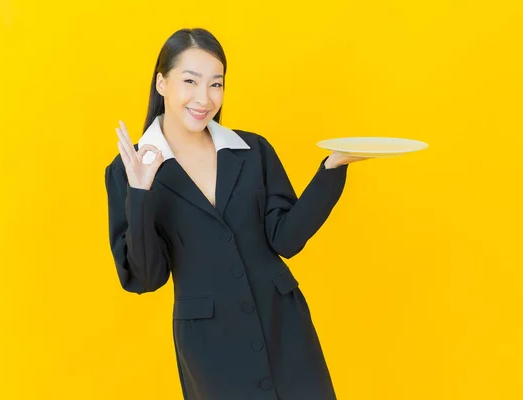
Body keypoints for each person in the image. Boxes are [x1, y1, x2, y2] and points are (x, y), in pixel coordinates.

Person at [105, 27, 369, 400]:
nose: (204, 98)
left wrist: (333, 167)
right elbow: (147, 277)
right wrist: (139, 192)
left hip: (284, 325)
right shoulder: (128, 169)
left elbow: (286, 238)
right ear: (161, 83)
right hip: (212, 346)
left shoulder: (252, 150)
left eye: (216, 84)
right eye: (190, 81)